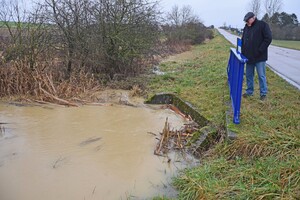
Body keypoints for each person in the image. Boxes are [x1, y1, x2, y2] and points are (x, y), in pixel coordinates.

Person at [241, 12, 272, 100]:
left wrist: (260, 50)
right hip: (249, 57)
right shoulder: (246, 27)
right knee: (249, 75)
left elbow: (268, 38)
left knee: (261, 76)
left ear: (254, 18)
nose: (247, 23)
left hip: (260, 57)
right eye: (246, 21)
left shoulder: (263, 25)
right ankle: (249, 91)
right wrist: (243, 53)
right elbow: (243, 40)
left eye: (248, 21)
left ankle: (263, 94)